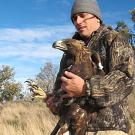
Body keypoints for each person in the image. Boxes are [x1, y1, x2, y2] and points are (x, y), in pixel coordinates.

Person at [47, 0, 135, 135]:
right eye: (74, 18)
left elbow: (125, 79)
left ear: (97, 18)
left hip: (107, 128)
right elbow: (62, 85)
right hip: (71, 128)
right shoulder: (69, 49)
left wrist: (86, 88)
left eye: (82, 15)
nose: (78, 21)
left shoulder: (113, 39)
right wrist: (55, 101)